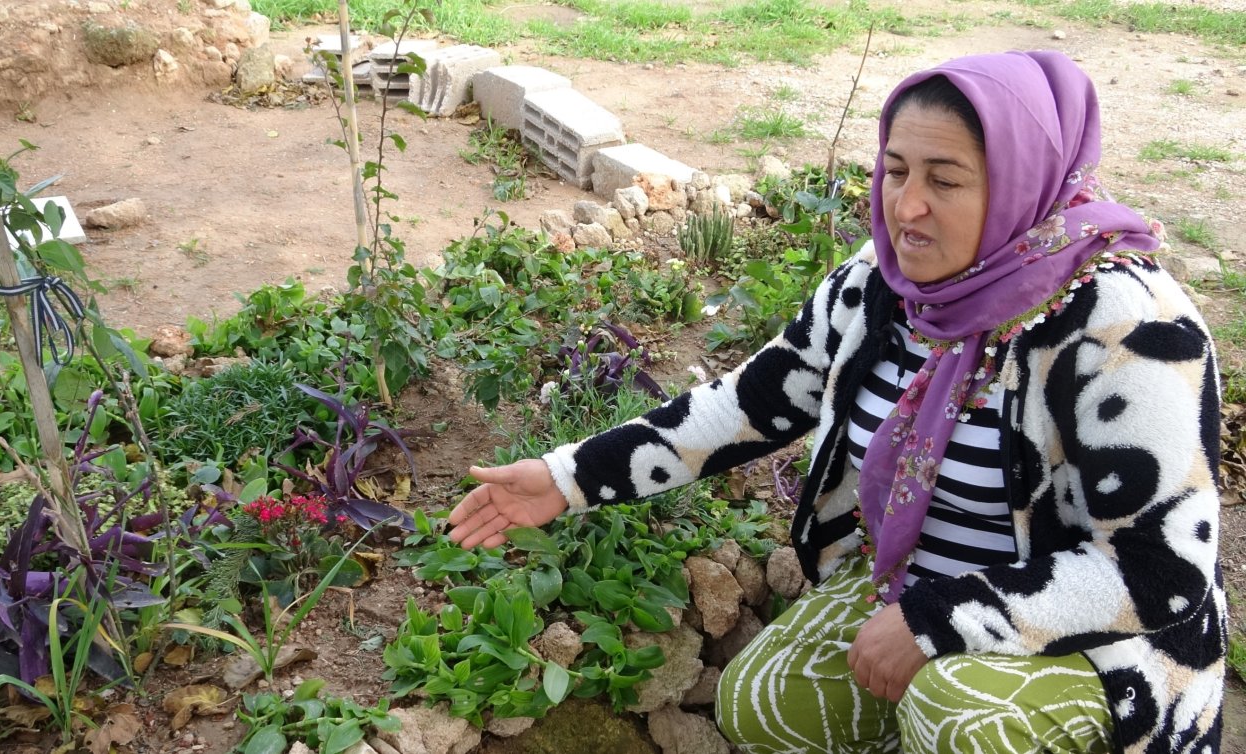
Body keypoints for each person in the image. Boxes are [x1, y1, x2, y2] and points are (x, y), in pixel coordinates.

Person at [448, 50, 1224, 754]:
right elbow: (751, 405)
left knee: (961, 716)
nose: (906, 207)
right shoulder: (882, 283)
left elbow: (1162, 572)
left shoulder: (1128, 329)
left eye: (944, 180)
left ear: (1025, 178)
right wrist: (568, 478)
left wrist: (939, 622)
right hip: (913, 585)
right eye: (894, 170)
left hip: (1097, 642)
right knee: (763, 701)